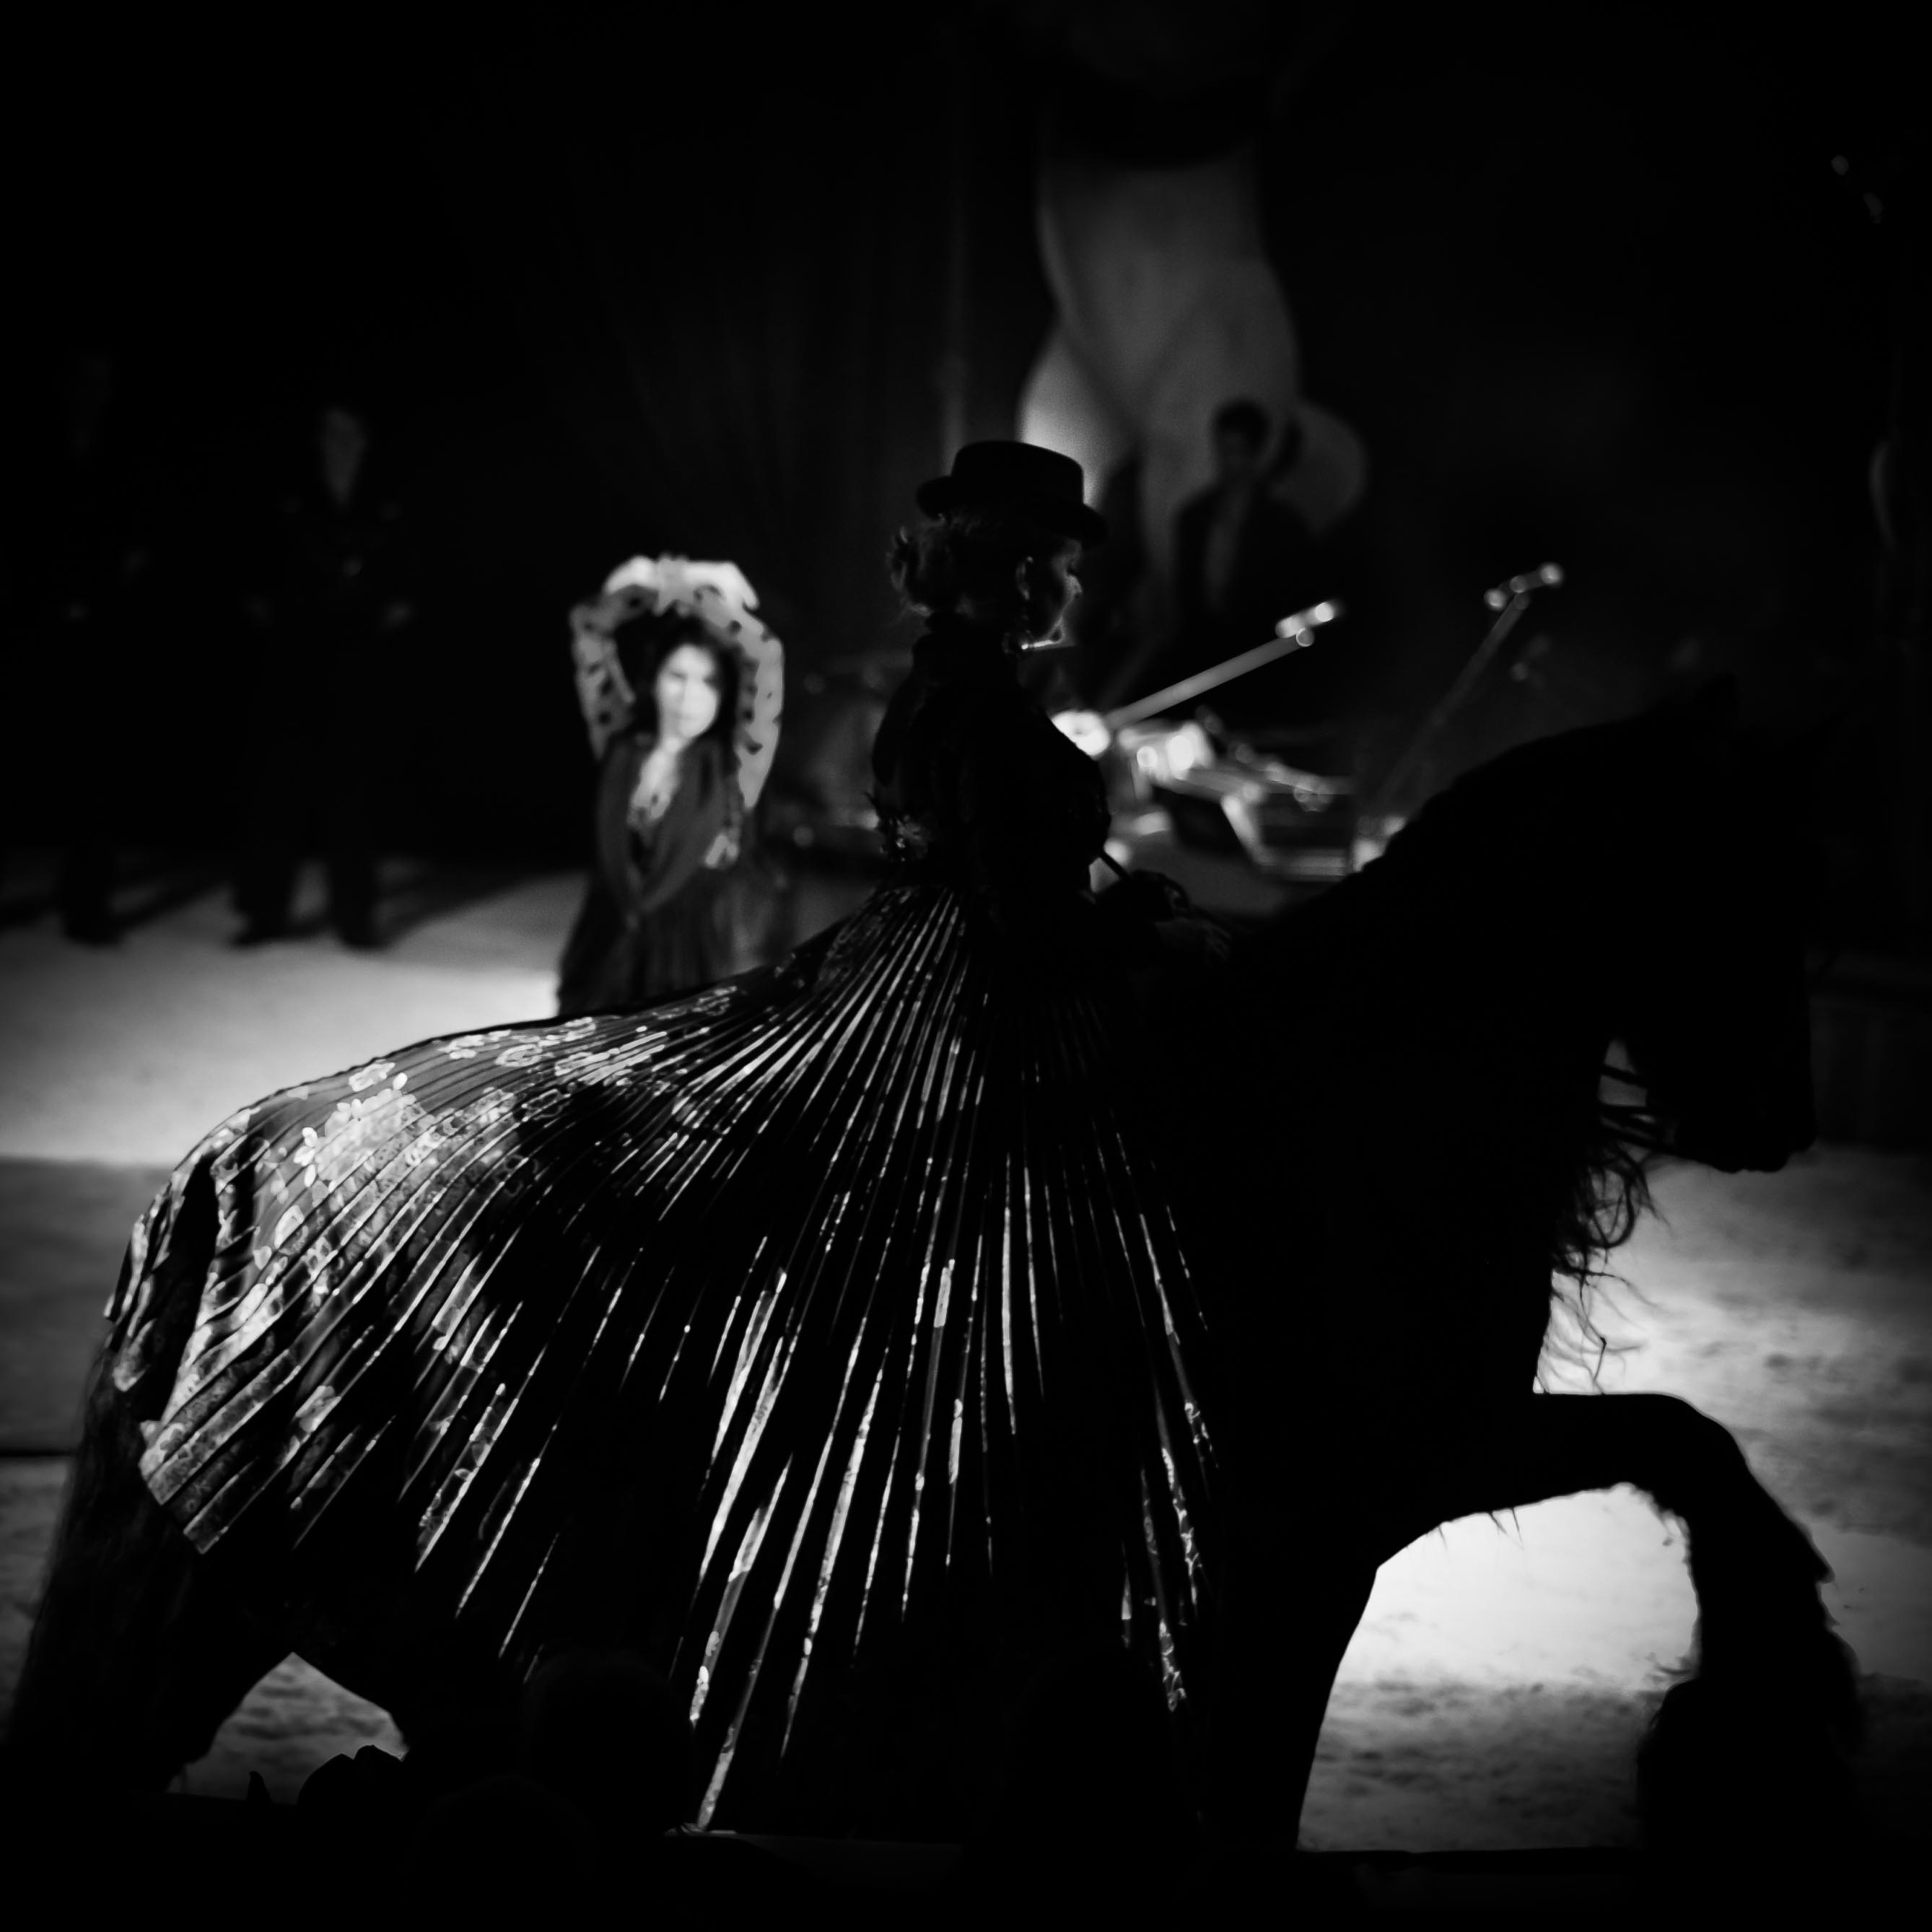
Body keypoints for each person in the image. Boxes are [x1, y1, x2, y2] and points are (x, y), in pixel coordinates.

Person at [77, 441, 1226, 1842]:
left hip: (900, 971)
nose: (1073, 588)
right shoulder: (978, 714)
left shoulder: (948, 688)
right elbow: (1013, 925)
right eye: (1057, 562)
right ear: (1012, 568)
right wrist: (1137, 935)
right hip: (942, 1014)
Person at [555, 558, 784, 1013]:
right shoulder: (622, 740)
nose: (689, 697)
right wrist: (651, 581)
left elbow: (764, 653)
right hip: (603, 959)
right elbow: (589, 626)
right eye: (676, 677)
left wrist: (687, 582)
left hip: (690, 973)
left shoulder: (738, 764)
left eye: (708, 682)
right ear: (653, 679)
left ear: (725, 693)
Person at [232, 396, 414, 950]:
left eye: (347, 430)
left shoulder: (388, 483)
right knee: (279, 782)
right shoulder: (290, 482)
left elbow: (414, 553)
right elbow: (256, 547)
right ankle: (266, 909)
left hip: (358, 648)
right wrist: (266, 607)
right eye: (328, 431)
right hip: (294, 646)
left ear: (364, 431)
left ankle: (354, 913)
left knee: (353, 786)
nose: (338, 441)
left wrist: (396, 604)